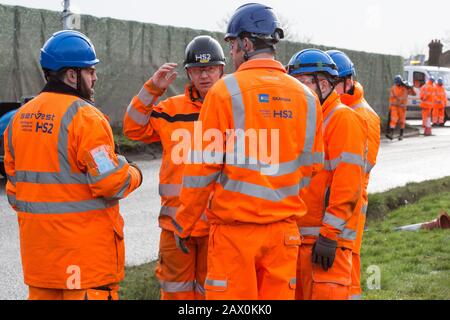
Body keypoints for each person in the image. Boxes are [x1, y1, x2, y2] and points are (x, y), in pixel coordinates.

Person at [172, 3, 324, 300]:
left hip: (235, 237)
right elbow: (312, 166)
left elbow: (202, 169)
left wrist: (184, 223)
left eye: (231, 44)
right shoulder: (307, 98)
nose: (231, 52)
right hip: (284, 234)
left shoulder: (224, 92)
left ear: (245, 43)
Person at [3, 30, 143, 300]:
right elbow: (110, 182)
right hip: (84, 265)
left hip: (41, 263)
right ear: (71, 75)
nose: (95, 78)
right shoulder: (86, 117)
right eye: (90, 71)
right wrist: (134, 172)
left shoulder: (19, 120)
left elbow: (14, 191)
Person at [123, 35, 226, 300]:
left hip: (217, 224)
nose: (204, 76)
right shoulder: (171, 109)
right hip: (175, 225)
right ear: (188, 73)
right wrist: (152, 89)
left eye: (210, 68)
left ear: (221, 70)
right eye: (197, 69)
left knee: (212, 293)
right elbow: (133, 128)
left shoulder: (233, 108)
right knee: (175, 292)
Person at [287, 48, 367, 300]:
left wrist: (329, 236)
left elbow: (349, 183)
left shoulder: (342, 119)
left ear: (323, 84)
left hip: (327, 244)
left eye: (302, 83)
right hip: (300, 241)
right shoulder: (310, 118)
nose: (296, 90)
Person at [327, 50, 380, 300]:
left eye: (333, 82)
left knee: (348, 259)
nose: (328, 87)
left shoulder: (363, 115)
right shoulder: (334, 109)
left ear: (347, 82)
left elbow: (359, 167)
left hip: (351, 202)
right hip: (335, 199)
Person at [386, 75, 411, 140]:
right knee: (393, 120)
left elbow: (412, 93)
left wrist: (409, 86)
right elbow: (397, 96)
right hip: (394, 106)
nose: (398, 84)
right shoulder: (394, 88)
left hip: (402, 107)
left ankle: (401, 135)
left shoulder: (405, 88)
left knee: (402, 121)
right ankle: (391, 134)